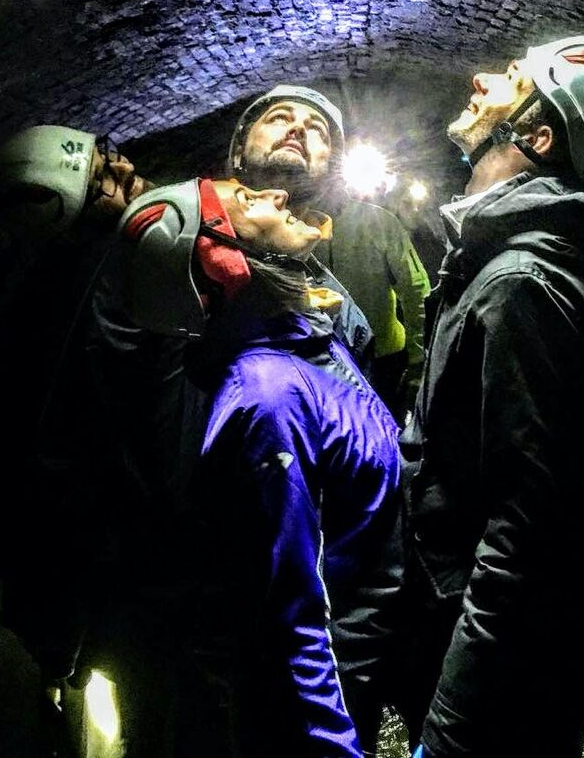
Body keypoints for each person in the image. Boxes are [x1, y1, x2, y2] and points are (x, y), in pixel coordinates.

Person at [399, 35, 584, 758]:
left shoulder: (523, 286)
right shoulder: (509, 256)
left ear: (537, 136)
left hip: (509, 672)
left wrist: (451, 725)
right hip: (492, 639)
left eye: (512, 80)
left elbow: (523, 535)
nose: (481, 78)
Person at [112, 175, 403, 758]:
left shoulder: (307, 344)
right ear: (226, 265)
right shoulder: (269, 396)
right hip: (336, 687)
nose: (277, 196)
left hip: (371, 654)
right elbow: (293, 610)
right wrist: (334, 746)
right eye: (247, 202)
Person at [0, 126, 154, 684]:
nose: (126, 171)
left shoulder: (42, 281)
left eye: (113, 156)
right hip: (112, 562)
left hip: (79, 561)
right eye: (106, 174)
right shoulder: (110, 275)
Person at [228, 85, 430, 420]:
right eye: (279, 118)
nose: (298, 129)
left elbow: (416, 290)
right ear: (239, 145)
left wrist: (418, 367)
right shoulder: (196, 234)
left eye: (318, 130)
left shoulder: (376, 223)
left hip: (380, 360)